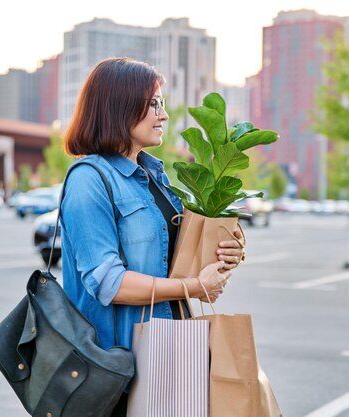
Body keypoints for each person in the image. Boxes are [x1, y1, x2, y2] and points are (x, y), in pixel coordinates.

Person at [60, 57, 245, 416]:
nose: (164, 115)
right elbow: (108, 283)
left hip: (170, 350)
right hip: (115, 365)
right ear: (120, 107)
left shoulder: (155, 176)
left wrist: (230, 248)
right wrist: (193, 286)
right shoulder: (88, 180)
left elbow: (175, 256)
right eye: (154, 105)